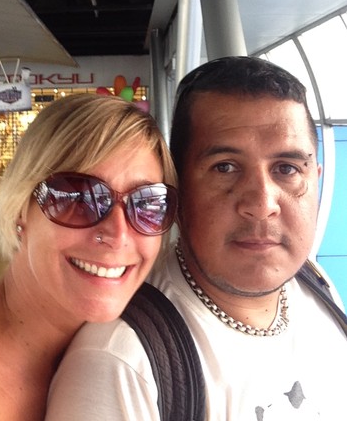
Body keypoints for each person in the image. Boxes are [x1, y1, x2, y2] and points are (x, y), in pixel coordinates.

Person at [46, 56, 347, 420]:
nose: (262, 205)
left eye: (287, 169)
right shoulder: (120, 364)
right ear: (177, 189)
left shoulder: (314, 283)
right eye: (225, 167)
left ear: (315, 179)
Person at [0, 93, 178, 421]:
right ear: (21, 208)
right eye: (78, 197)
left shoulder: (135, 358)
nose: (118, 234)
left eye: (147, 202)